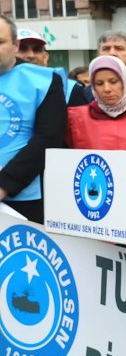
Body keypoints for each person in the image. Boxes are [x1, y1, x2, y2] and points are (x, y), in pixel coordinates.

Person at [0, 16, 67, 224]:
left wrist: (5, 184)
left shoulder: (45, 80)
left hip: (23, 201)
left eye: (0, 42)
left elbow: (49, 138)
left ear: (15, 45)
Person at [16, 28, 87, 107]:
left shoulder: (70, 89)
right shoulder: (5, 85)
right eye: (22, 49)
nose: (31, 55)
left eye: (37, 49)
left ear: (45, 57)